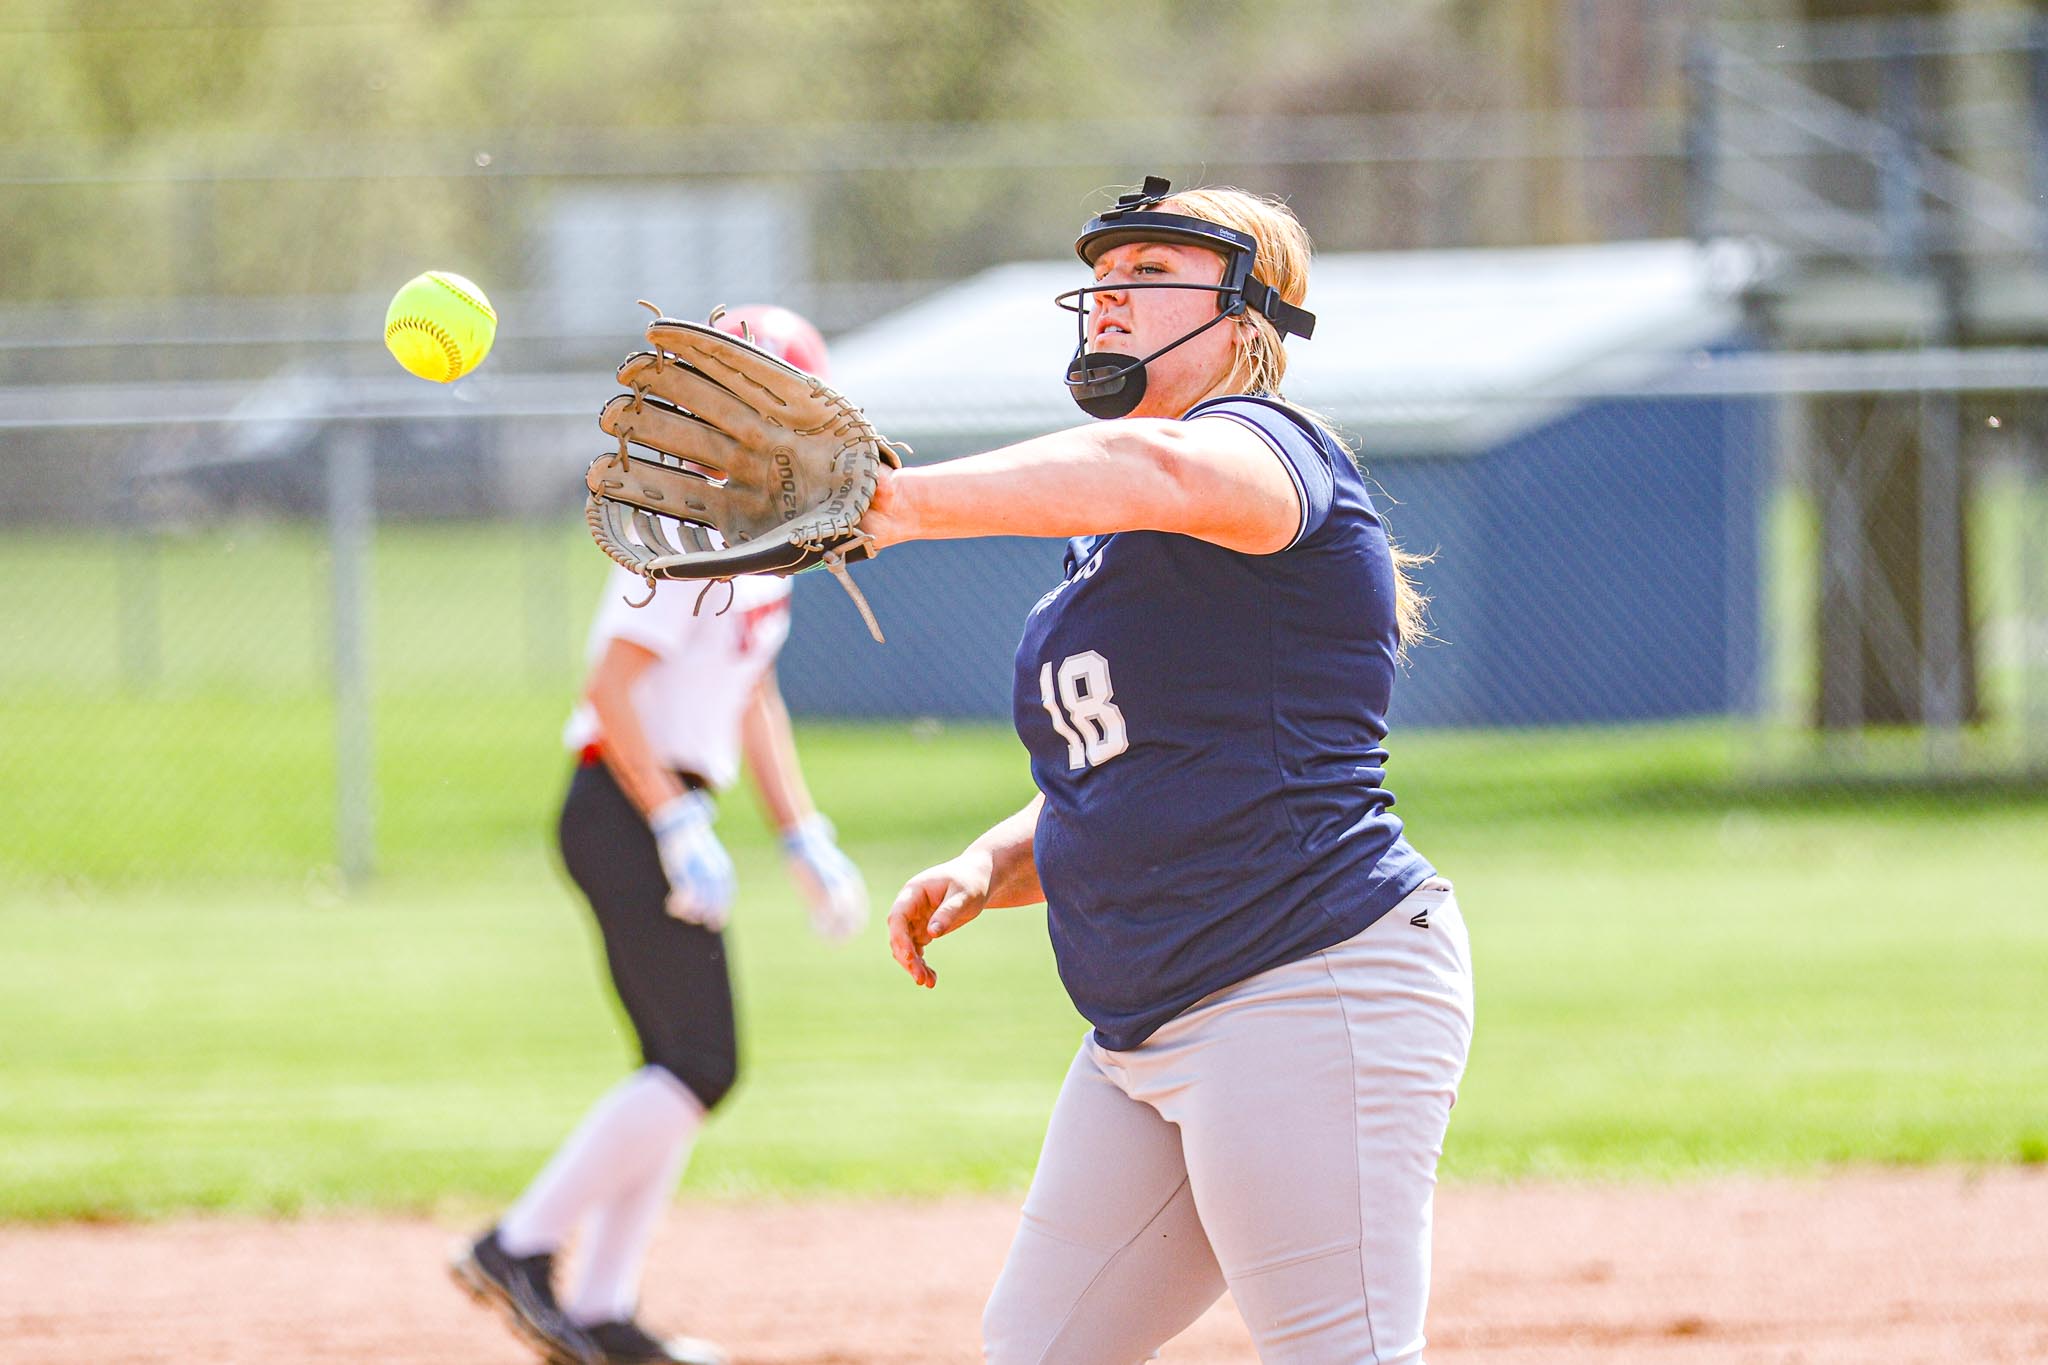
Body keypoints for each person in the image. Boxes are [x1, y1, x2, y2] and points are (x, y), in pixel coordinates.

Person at [863, 178, 1475, 1364]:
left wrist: (893, 504)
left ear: (1247, 312)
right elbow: (1145, 765)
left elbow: (1156, 465)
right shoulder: (1111, 536)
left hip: (1303, 982)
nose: (1109, 296)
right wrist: (992, 862)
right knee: (1038, 1349)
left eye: (1150, 272)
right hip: (1145, 1023)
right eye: (1102, 275)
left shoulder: (1266, 450)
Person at [451, 305, 868, 1365]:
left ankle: (600, 1307)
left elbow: (749, 692)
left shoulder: (762, 535)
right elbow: (612, 686)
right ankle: (517, 1246)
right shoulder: (684, 525)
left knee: (677, 1067)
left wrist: (802, 836)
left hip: (656, 807)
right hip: (623, 803)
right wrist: (674, 819)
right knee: (700, 1064)